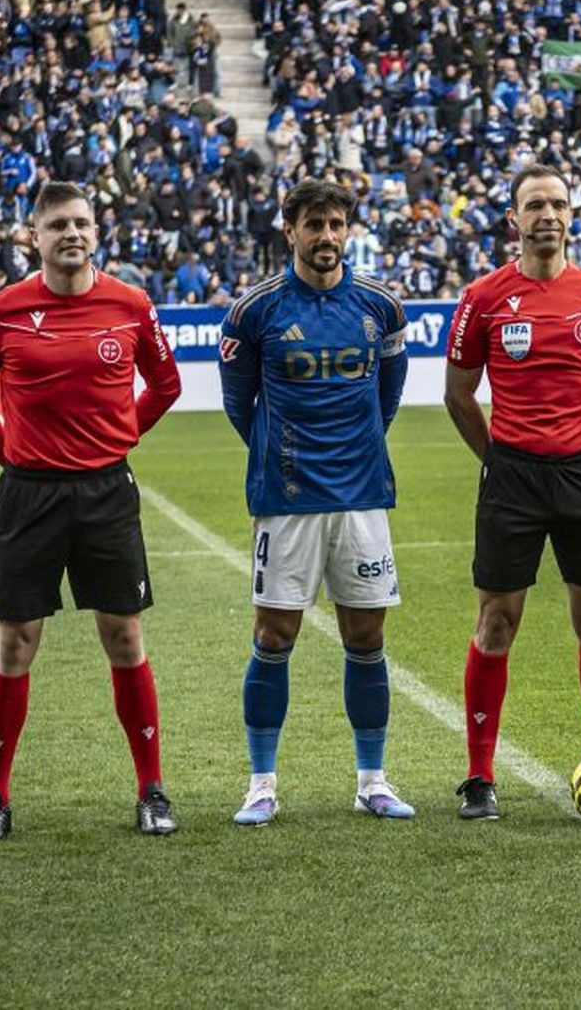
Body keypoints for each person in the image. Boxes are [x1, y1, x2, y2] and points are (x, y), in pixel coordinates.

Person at [0, 181, 184, 842]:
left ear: (97, 229)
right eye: (58, 225)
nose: (72, 234)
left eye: (82, 222)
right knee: (16, 643)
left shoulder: (130, 304)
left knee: (124, 636)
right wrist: (14, 456)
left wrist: (122, 436)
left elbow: (166, 384)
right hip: (30, 495)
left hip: (107, 492)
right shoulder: (3, 310)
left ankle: (152, 789)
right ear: (37, 235)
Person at [217, 179, 414, 825]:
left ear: (348, 229)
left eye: (336, 224)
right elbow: (237, 401)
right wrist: (285, 454)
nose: (326, 236)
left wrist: (354, 449)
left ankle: (372, 779)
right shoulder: (255, 311)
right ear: (290, 229)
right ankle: (262, 783)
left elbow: (386, 395)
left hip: (361, 497)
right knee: (275, 634)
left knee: (367, 634)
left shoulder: (380, 307)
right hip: (287, 499)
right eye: (314, 225)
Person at [445, 163, 581, 820]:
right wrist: (498, 455)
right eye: (535, 204)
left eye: (557, 202)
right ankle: (478, 775)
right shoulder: (484, 296)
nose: (547, 214)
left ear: (572, 213)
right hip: (513, 477)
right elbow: (459, 393)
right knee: (497, 620)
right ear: (514, 220)